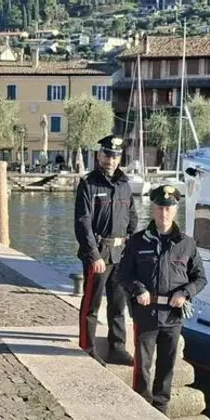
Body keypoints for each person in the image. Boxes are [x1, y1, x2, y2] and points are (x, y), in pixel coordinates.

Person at [118, 184, 207, 415]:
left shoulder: (187, 244)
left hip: (173, 315)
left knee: (167, 365)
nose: (164, 213)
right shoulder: (138, 241)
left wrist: (185, 292)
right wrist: (138, 289)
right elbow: (124, 274)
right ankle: (141, 403)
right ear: (153, 209)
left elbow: (200, 279)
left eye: (168, 208)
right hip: (146, 313)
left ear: (175, 210)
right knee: (143, 365)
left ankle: (161, 406)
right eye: (159, 208)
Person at [74, 134, 138, 364]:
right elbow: (83, 222)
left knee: (118, 303)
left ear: (120, 158)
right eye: (107, 154)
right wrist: (93, 255)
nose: (111, 159)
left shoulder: (124, 184)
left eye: (115, 156)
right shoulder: (88, 184)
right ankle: (87, 346)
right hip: (99, 254)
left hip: (121, 254)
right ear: (99, 155)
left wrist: (131, 245)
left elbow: (132, 216)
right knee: (92, 303)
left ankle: (117, 347)